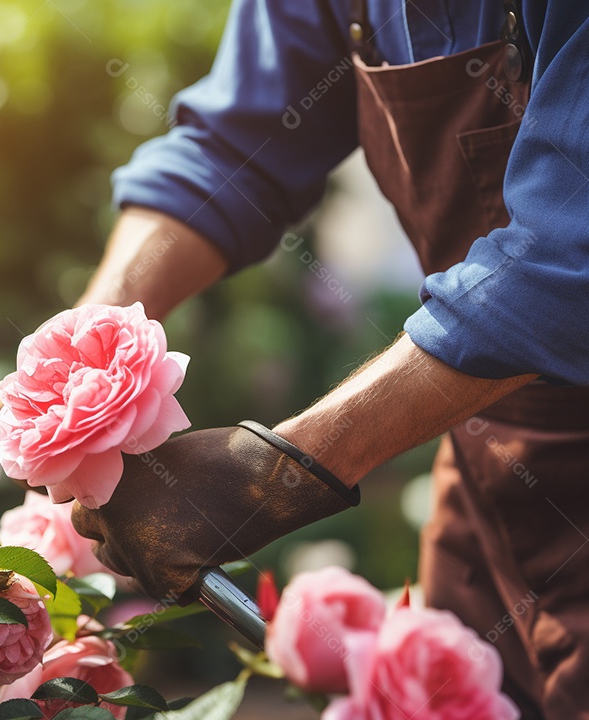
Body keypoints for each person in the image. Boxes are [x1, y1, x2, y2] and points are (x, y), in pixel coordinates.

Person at [58, 2, 589, 718]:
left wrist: (276, 473)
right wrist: (86, 344)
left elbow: (563, 260)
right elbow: (232, 147)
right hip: (485, 474)